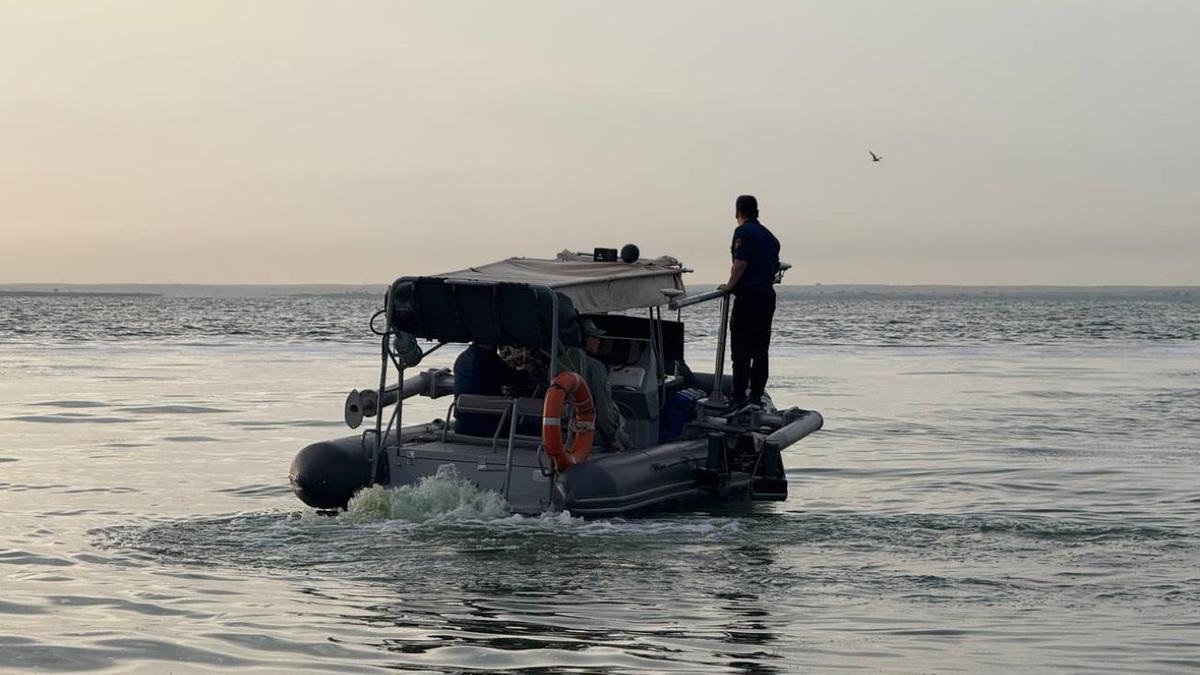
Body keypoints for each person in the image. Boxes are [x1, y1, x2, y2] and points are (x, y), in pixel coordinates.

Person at [718, 194, 780, 407]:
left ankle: (738, 397)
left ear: (738, 212)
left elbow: (740, 263)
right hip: (766, 296)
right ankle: (756, 394)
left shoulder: (743, 232)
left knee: (741, 350)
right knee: (761, 349)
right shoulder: (770, 237)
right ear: (757, 212)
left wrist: (729, 286)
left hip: (748, 298)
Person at [556, 320, 628, 451]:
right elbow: (604, 410)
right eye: (594, 337)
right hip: (587, 433)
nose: (599, 342)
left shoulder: (557, 364)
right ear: (583, 340)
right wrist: (613, 438)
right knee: (627, 441)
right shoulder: (595, 367)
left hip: (557, 432)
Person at [452, 342, 522, 436]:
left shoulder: (461, 358)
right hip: (492, 427)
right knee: (532, 429)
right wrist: (527, 372)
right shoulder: (492, 361)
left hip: (462, 424)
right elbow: (514, 378)